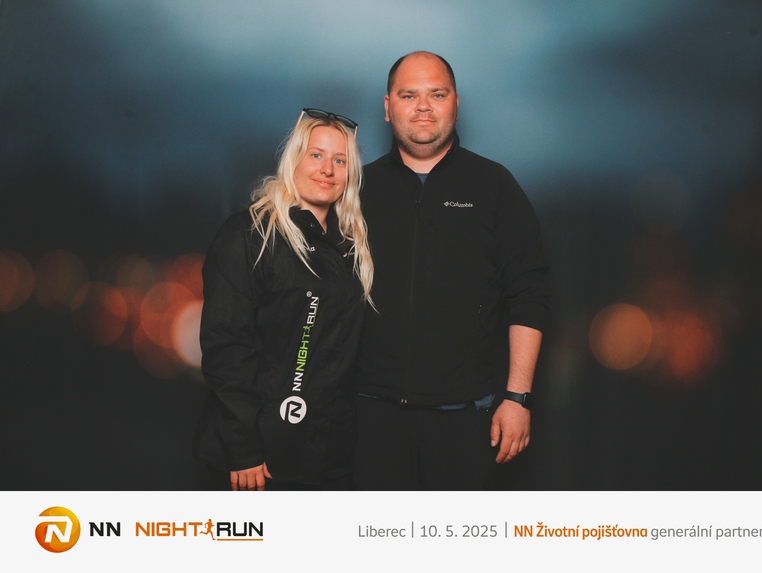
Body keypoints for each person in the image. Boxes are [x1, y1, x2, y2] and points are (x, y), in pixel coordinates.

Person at [353, 51, 550, 490]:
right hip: (368, 419)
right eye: (409, 95)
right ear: (387, 107)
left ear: (456, 104)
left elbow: (529, 294)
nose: (423, 106)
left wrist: (518, 398)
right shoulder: (356, 190)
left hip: (466, 421)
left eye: (437, 95)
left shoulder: (495, 186)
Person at [193, 108, 373, 490]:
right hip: (261, 457)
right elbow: (226, 346)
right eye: (316, 154)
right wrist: (243, 448)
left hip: (330, 455)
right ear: (294, 160)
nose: (327, 169)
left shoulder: (351, 248)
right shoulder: (250, 235)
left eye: (340, 160)